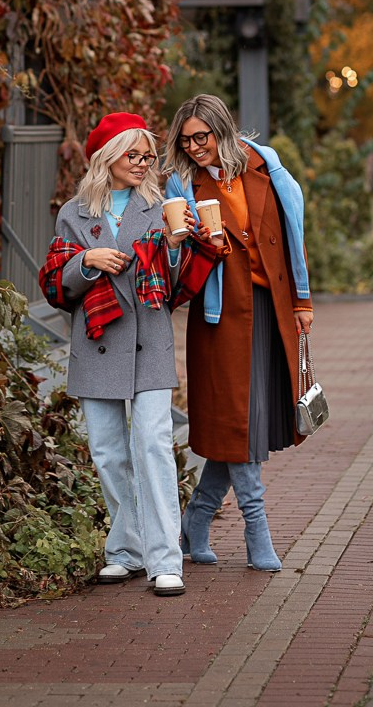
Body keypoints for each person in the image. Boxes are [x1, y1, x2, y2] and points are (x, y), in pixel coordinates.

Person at [38, 112, 195, 597]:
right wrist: (87, 262)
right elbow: (56, 285)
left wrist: (172, 246)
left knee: (151, 445)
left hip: (149, 338)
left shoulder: (161, 207)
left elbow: (174, 284)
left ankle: (165, 558)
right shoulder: (74, 214)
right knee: (108, 453)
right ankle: (126, 550)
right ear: (108, 156)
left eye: (149, 155)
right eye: (135, 155)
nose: (145, 163)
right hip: (97, 341)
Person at [165, 94, 313, 572]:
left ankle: (196, 520)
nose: (193, 148)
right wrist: (191, 239)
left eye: (201, 137)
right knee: (238, 421)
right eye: (185, 140)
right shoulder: (182, 182)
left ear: (221, 131)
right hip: (220, 314)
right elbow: (174, 259)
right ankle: (256, 531)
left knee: (247, 425)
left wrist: (302, 299)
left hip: (269, 304)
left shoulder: (262, 163)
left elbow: (292, 226)